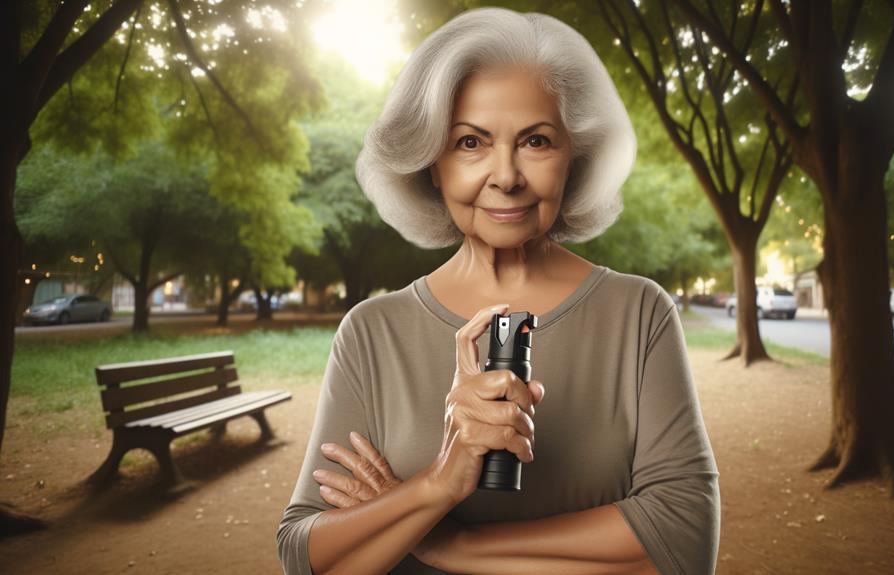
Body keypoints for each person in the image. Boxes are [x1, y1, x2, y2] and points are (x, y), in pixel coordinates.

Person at [277, 7, 719, 574]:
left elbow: (683, 546)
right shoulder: (371, 331)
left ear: (574, 158)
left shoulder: (639, 313)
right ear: (430, 162)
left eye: (536, 140)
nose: (506, 175)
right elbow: (305, 559)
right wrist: (438, 485)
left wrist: (443, 543)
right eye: (470, 143)